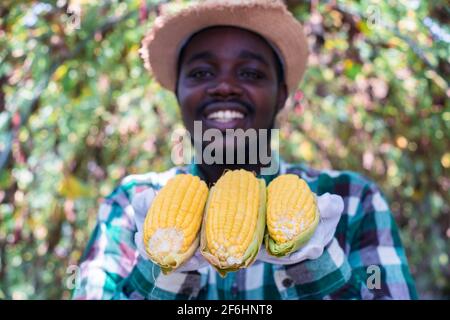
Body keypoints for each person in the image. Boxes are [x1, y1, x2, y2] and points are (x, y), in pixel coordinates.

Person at [72, 0, 417, 300]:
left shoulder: (354, 200)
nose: (224, 86)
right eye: (202, 72)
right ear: (177, 91)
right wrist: (159, 276)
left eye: (250, 72)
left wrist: (318, 267)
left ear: (281, 95)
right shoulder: (130, 206)